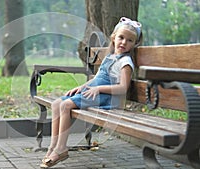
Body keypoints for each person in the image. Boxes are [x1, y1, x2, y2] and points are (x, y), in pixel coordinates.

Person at [40, 17, 143, 168]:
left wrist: (98, 89)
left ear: (134, 44)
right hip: (95, 93)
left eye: (129, 40)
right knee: (57, 104)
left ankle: (61, 148)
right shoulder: (110, 57)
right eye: (121, 38)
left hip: (108, 98)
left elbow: (122, 88)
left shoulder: (125, 62)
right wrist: (82, 87)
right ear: (114, 38)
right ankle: (53, 146)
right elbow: (97, 78)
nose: (124, 42)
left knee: (65, 106)